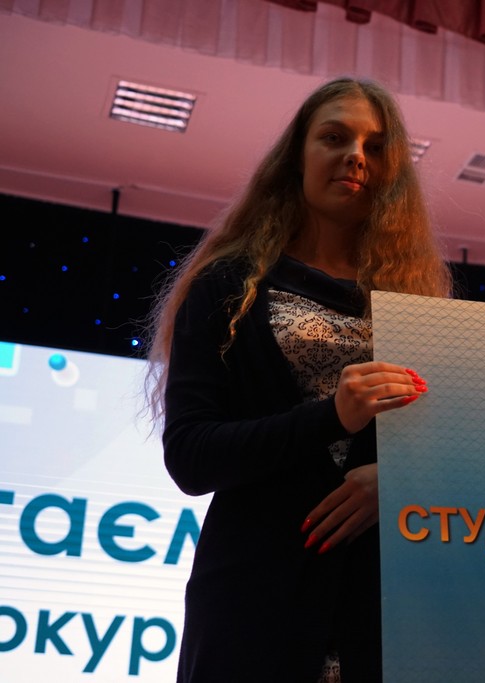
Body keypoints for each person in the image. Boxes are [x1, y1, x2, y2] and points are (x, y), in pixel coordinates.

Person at [146, 76, 451, 682]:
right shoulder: (226, 285)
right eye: (334, 137)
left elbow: (457, 450)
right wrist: (331, 417)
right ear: (297, 156)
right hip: (254, 602)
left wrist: (399, 483)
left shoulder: (419, 303)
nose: (356, 156)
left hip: (382, 610)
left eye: (375, 146)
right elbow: (190, 457)